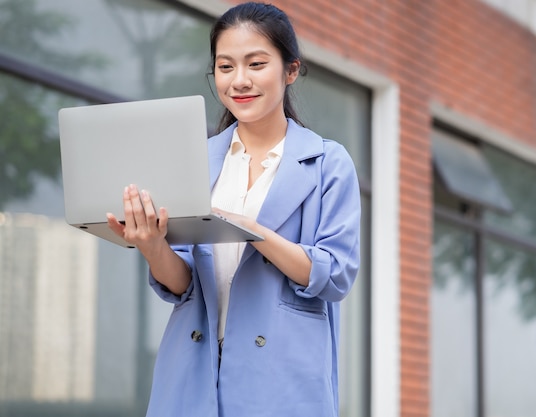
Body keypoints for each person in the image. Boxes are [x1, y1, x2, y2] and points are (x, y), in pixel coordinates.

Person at [106, 2, 361, 416]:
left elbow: (334, 273)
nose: (239, 81)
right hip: (192, 373)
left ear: (290, 70)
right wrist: (152, 246)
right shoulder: (195, 159)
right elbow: (183, 284)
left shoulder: (327, 163)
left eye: (256, 64)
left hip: (282, 381)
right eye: (225, 67)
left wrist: (248, 228)